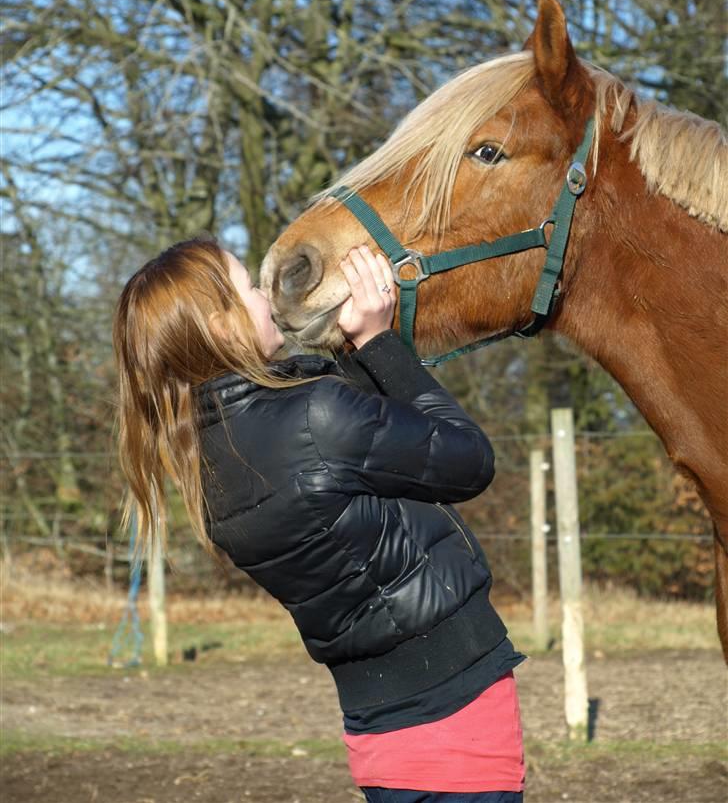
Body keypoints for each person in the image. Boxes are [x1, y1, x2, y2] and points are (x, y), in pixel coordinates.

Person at [112, 235, 526, 802]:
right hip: (456, 712)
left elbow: (360, 469)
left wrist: (351, 350)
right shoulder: (315, 415)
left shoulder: (208, 467)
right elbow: (469, 460)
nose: (264, 295)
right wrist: (379, 342)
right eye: (248, 287)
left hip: (376, 733)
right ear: (220, 325)